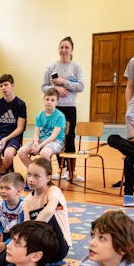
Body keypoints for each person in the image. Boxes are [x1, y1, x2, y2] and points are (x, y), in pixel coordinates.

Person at [41, 36, 85, 181]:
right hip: (55, 109)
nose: (64, 50)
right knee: (58, 138)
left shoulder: (76, 67)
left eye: (67, 47)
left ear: (71, 50)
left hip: (70, 108)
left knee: (70, 137)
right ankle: (60, 170)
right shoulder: (51, 67)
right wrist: (55, 88)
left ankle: (71, 171)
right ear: (58, 49)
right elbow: (44, 87)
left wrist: (64, 82)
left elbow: (80, 86)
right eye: (61, 47)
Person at [23, 158, 71, 265]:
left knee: (48, 216)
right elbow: (26, 224)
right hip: (39, 246)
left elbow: (48, 212)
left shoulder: (54, 191)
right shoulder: (27, 200)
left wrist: (30, 231)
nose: (31, 179)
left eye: (36, 176)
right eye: (29, 175)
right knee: (2, 262)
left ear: (48, 178)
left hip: (59, 247)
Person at [18, 88, 66, 169]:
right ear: (43, 100)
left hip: (56, 142)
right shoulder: (39, 115)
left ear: (57, 102)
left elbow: (53, 137)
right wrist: (36, 142)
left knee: (44, 153)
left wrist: (39, 146)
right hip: (41, 141)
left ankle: (46, 176)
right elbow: (36, 133)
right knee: (21, 152)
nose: (49, 102)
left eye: (52, 100)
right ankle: (35, 171)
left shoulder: (60, 116)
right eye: (47, 99)